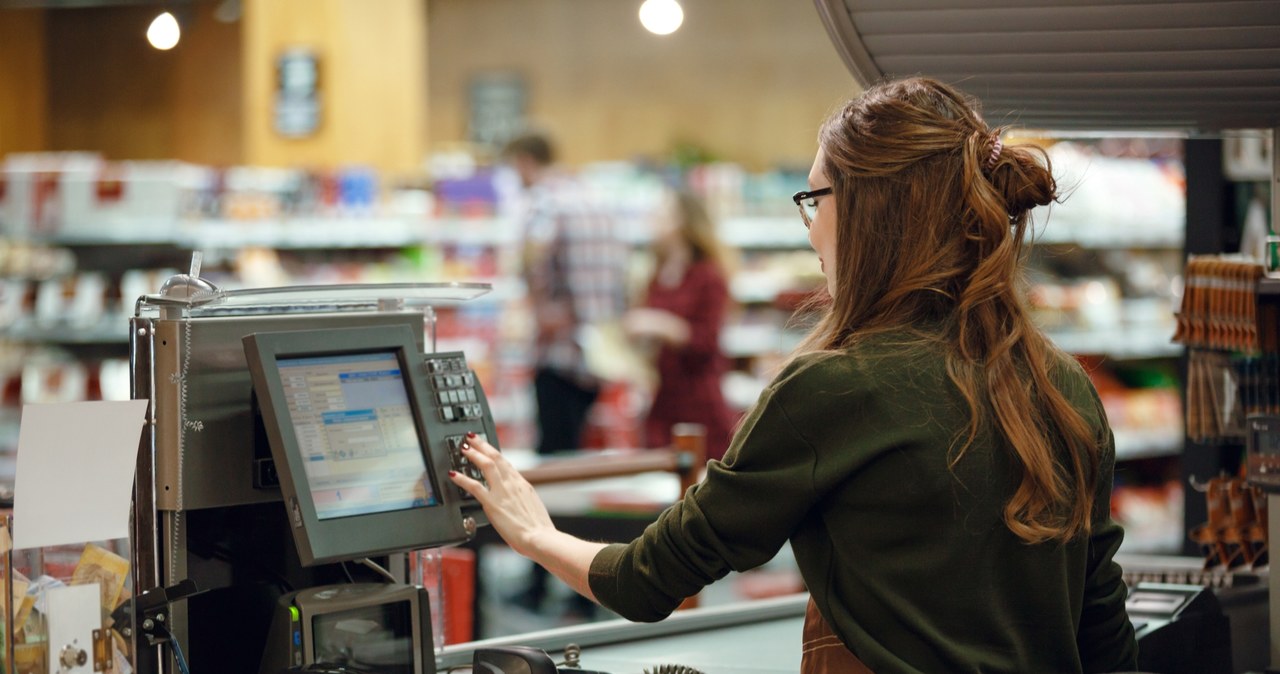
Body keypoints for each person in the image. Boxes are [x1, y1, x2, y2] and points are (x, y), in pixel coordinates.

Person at [455, 78, 1138, 673]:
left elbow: (648, 580)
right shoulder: (1061, 384)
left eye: (815, 199)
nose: (810, 230)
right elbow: (1103, 628)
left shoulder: (837, 388)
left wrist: (533, 534)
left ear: (872, 213)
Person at [502, 131, 627, 616]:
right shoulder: (597, 201)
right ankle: (589, 581)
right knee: (582, 466)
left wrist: (539, 310)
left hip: (557, 354)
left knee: (552, 472)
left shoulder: (544, 205)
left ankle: (544, 582)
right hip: (598, 355)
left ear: (526, 161)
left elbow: (531, 267)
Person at [623, 188, 738, 460]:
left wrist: (658, 324)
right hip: (662, 398)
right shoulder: (656, 273)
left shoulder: (708, 276)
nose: (652, 219)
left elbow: (707, 341)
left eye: (661, 212)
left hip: (698, 400)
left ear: (682, 220)